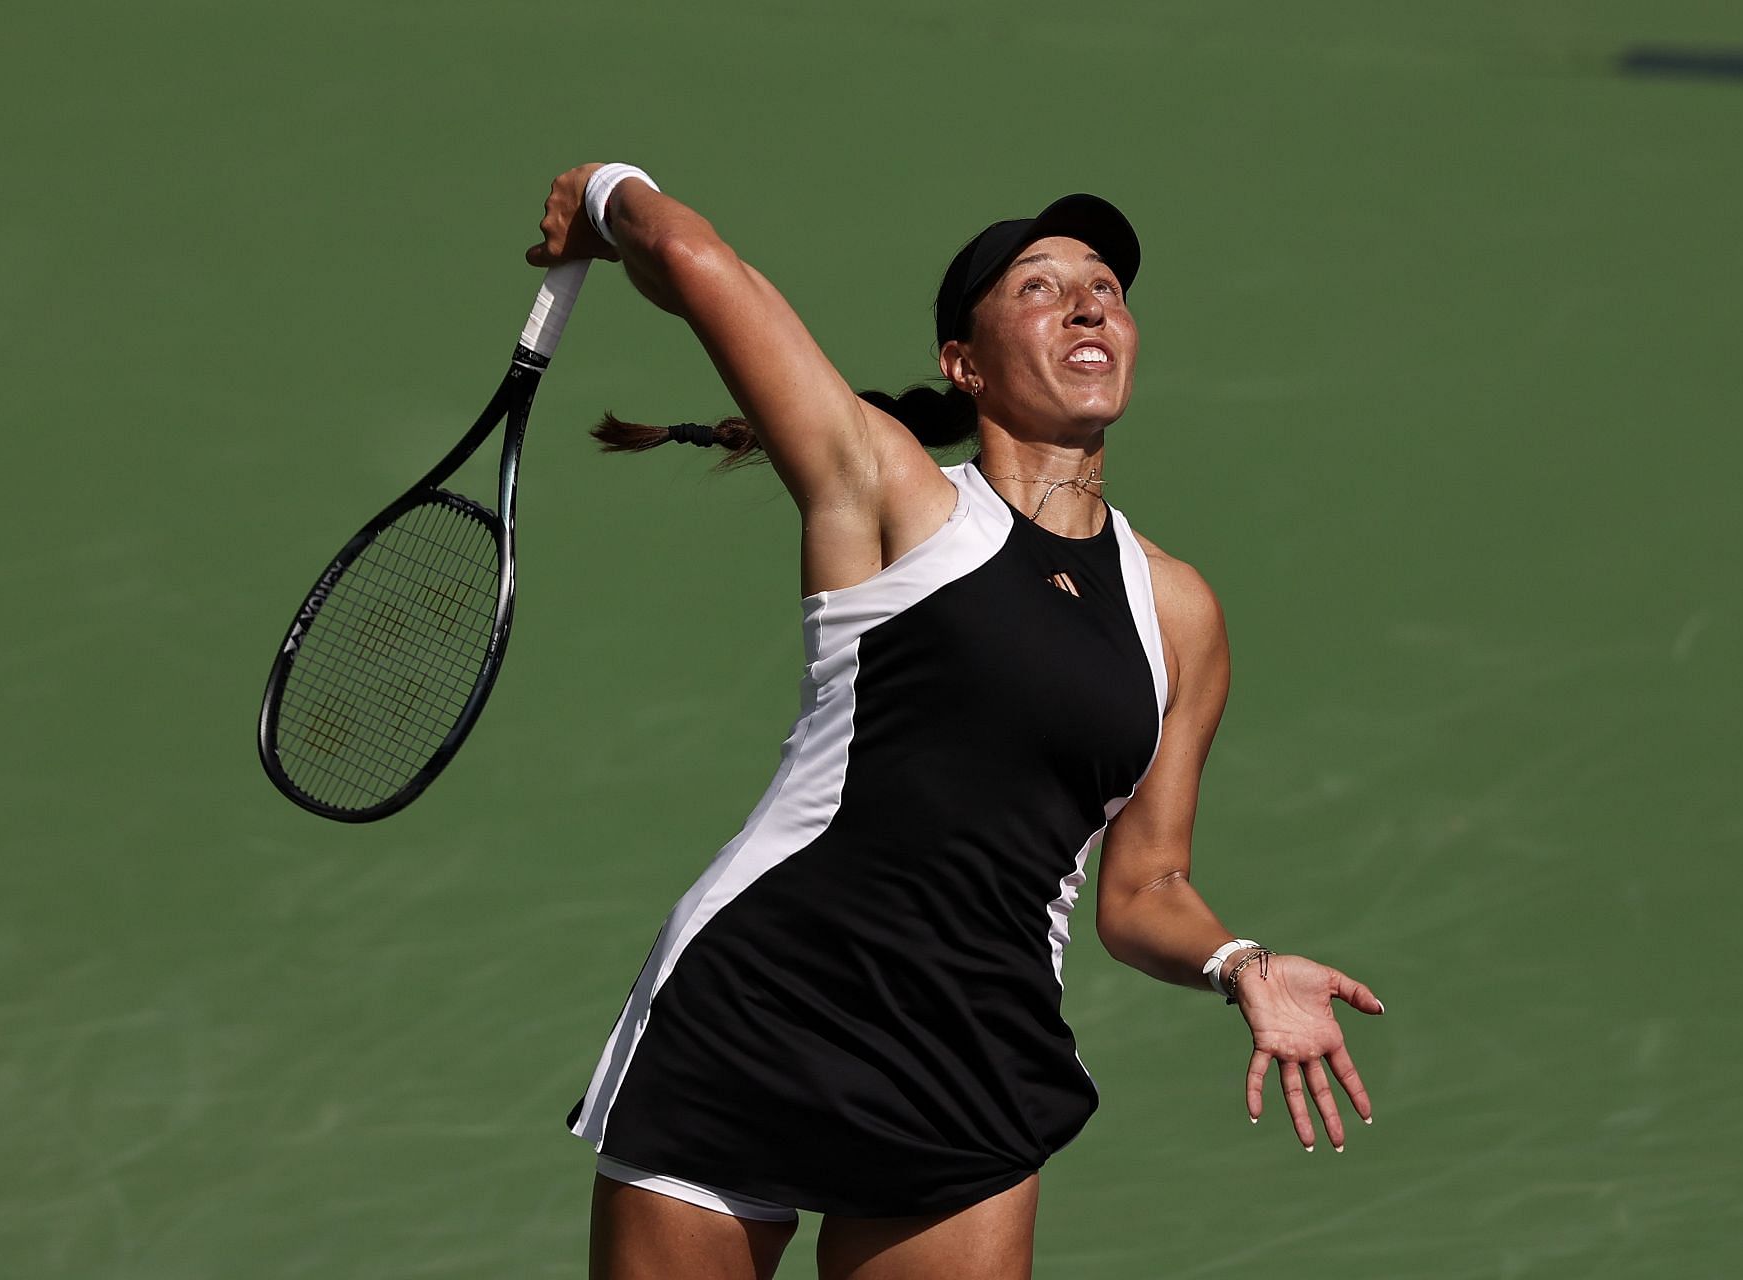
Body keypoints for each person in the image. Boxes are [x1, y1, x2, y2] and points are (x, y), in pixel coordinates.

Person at [525, 163, 1386, 1280]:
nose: (1090, 303)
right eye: (1039, 286)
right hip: (761, 1008)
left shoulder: (1176, 609)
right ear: (964, 363)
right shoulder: (888, 492)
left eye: (1107, 289)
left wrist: (1242, 963)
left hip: (969, 1057)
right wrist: (605, 194)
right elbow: (698, 264)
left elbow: (1144, 889)